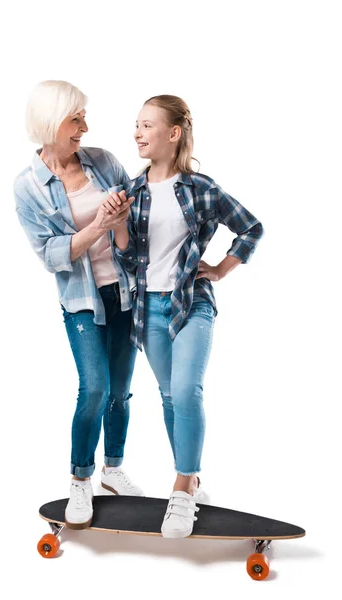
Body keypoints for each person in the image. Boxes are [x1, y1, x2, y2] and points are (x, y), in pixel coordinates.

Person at [110, 95, 263, 538]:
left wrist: (221, 269)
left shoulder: (202, 189)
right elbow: (125, 260)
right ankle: (193, 479)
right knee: (169, 397)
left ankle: (180, 491)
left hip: (191, 302)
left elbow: (251, 227)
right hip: (148, 308)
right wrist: (118, 225)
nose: (137, 133)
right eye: (135, 125)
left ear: (173, 133)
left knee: (186, 389)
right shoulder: (132, 192)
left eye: (147, 125)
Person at [13, 80, 143, 531]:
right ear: (52, 123)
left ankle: (112, 469)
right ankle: (81, 478)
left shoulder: (104, 162)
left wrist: (123, 219)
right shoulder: (29, 186)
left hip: (124, 291)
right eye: (76, 119)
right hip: (82, 301)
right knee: (94, 389)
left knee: (121, 391)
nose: (85, 126)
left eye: (84, 117)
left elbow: (138, 217)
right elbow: (51, 255)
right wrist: (98, 226)